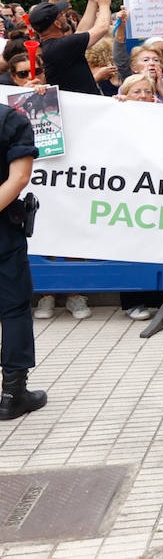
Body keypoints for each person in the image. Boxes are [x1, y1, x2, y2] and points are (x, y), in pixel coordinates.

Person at [0, 96, 44, 419]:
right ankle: (13, 394)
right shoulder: (10, 120)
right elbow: (18, 179)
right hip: (3, 231)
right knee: (14, 307)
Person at [28, 0, 111, 95]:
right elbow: (102, 27)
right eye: (61, 14)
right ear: (57, 24)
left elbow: (81, 32)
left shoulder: (54, 46)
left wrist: (92, 1)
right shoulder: (61, 46)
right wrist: (104, 4)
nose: (65, 16)